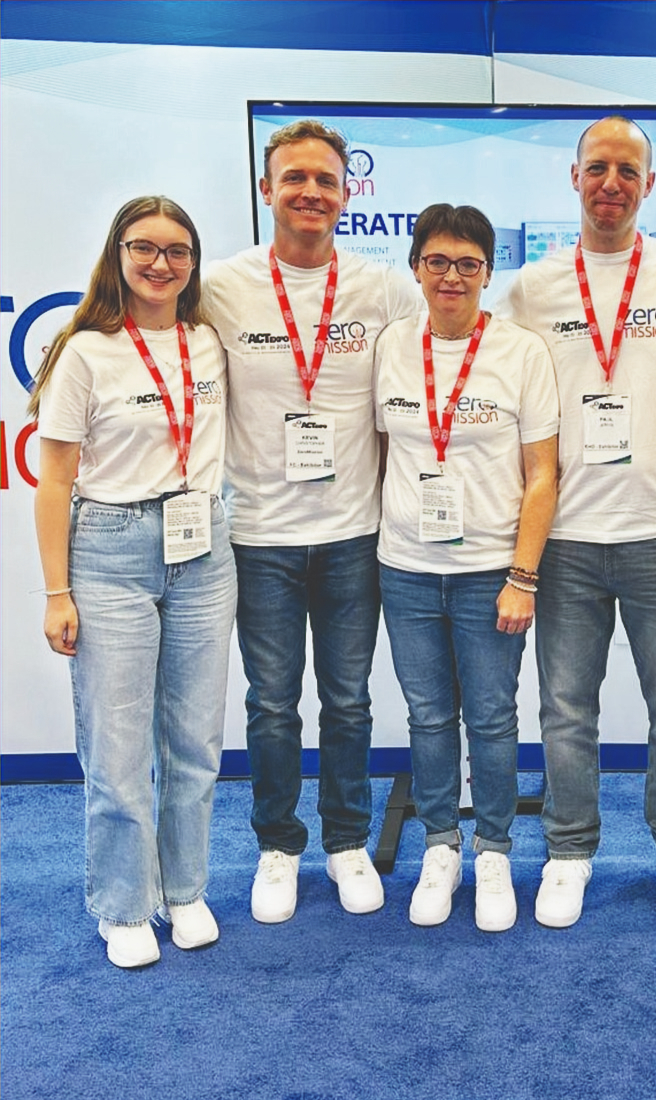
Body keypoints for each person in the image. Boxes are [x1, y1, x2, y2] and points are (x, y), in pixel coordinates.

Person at [497, 116, 656, 929]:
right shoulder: (530, 289)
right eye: (598, 167)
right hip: (564, 539)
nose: (612, 183)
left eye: (629, 170)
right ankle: (568, 850)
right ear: (575, 177)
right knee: (566, 711)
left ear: (650, 184)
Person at [203, 120, 421, 923]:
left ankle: (346, 839)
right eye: (294, 177)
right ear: (266, 189)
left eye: (326, 180)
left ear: (347, 193)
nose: (310, 192)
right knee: (271, 703)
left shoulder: (383, 289)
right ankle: (278, 843)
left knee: (349, 700)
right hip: (259, 535)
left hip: (353, 534)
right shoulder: (220, 288)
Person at [31, 196, 237, 968]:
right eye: (144, 247)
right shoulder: (85, 351)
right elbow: (55, 481)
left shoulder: (208, 341)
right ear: (117, 254)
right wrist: (57, 592)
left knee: (196, 741)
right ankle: (122, 904)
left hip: (203, 547)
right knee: (117, 747)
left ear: (194, 262)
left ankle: (183, 889)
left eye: (177, 250)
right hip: (111, 551)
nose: (160, 263)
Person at [374, 204, 558, 932]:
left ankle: (494, 851)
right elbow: (382, 452)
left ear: (488, 271)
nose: (452, 276)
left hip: (491, 570)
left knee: (491, 716)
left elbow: (542, 474)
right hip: (406, 568)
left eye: (468, 264)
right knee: (426, 716)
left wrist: (523, 575)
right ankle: (440, 845)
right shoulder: (390, 346)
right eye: (438, 261)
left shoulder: (521, 351)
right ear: (416, 267)